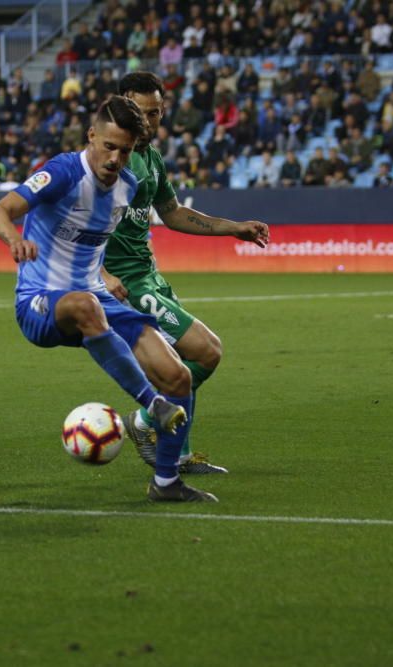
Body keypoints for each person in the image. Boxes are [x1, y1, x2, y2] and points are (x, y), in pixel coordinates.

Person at [0, 96, 218, 502]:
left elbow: (94, 244)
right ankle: (151, 404)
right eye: (108, 146)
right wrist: (14, 240)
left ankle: (166, 482)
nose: (115, 158)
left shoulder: (128, 186)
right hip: (41, 301)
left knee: (177, 373)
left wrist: (105, 275)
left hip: (93, 296)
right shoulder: (62, 171)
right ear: (91, 136)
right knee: (85, 305)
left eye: (124, 151)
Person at [104, 72, 269, 475]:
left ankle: (177, 458)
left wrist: (234, 228)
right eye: (142, 113)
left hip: (150, 275)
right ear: (124, 106)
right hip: (127, 283)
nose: (150, 122)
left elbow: (173, 214)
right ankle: (145, 420)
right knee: (207, 350)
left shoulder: (153, 159)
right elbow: (67, 223)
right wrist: (103, 273)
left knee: (179, 364)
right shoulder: (106, 159)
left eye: (157, 113)